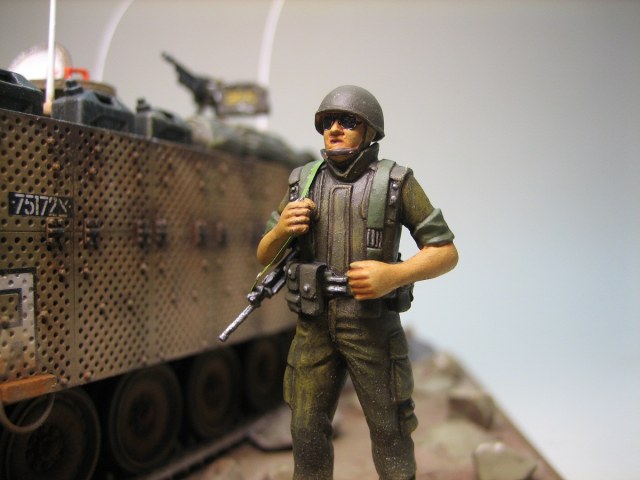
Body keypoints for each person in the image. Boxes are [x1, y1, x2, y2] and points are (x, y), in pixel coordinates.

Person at [257, 85, 458, 479]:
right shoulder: (303, 182)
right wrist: (281, 229)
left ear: (370, 131)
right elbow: (265, 254)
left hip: (372, 327)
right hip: (314, 325)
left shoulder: (396, 182)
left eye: (348, 121)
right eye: (327, 122)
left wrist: (394, 275)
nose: (334, 129)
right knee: (305, 428)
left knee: (390, 428)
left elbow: (445, 251)